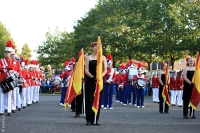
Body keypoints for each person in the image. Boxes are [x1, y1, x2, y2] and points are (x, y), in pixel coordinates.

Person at [85, 42, 107, 125]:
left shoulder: (103, 58)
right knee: (89, 100)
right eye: (95, 46)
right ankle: (89, 119)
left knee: (98, 99)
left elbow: (105, 70)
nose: (97, 48)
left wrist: (99, 77)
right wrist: (93, 77)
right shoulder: (88, 58)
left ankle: (96, 119)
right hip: (90, 81)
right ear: (92, 48)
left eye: (98, 46)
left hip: (99, 81)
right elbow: (86, 70)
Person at [0, 40, 16, 116]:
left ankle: (9, 110)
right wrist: (5, 68)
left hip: (9, 79)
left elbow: (12, 67)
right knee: (1, 95)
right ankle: (1, 110)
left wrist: (5, 67)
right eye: (6, 52)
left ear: (10, 53)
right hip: (2, 78)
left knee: (9, 95)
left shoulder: (13, 61)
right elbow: (0, 68)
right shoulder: (1, 60)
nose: (7, 53)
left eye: (8, 52)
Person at [74, 51, 88, 117]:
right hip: (79, 81)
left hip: (86, 80)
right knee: (79, 97)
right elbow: (76, 72)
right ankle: (78, 112)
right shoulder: (78, 63)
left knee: (87, 97)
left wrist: (85, 79)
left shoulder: (88, 62)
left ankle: (86, 111)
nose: (87, 56)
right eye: (86, 55)